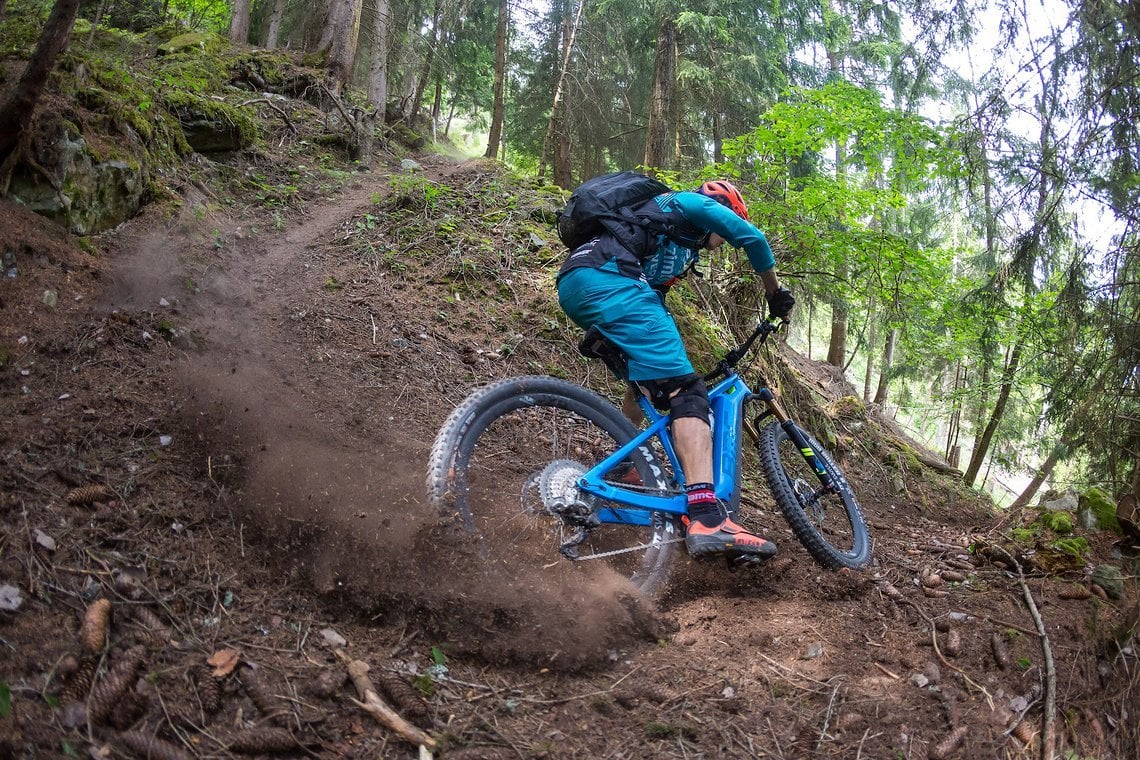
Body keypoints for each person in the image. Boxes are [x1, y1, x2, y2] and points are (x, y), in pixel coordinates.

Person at [556, 179, 795, 563]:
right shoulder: (689, 204)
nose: (720, 243)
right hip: (610, 282)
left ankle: (625, 467)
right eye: (730, 216)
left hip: (578, 284)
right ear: (723, 207)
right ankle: (705, 514)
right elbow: (753, 239)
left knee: (647, 387)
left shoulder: (674, 243)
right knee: (688, 394)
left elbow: (654, 295)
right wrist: (774, 294)